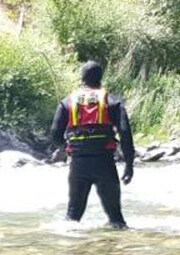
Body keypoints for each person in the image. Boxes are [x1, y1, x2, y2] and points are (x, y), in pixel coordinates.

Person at [50, 61, 135, 229]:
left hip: (79, 165)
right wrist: (129, 165)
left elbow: (54, 135)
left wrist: (67, 149)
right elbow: (125, 135)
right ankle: (118, 252)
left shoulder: (67, 102)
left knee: (72, 219)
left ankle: (74, 252)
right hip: (105, 164)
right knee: (117, 220)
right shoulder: (113, 102)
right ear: (101, 78)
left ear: (82, 78)